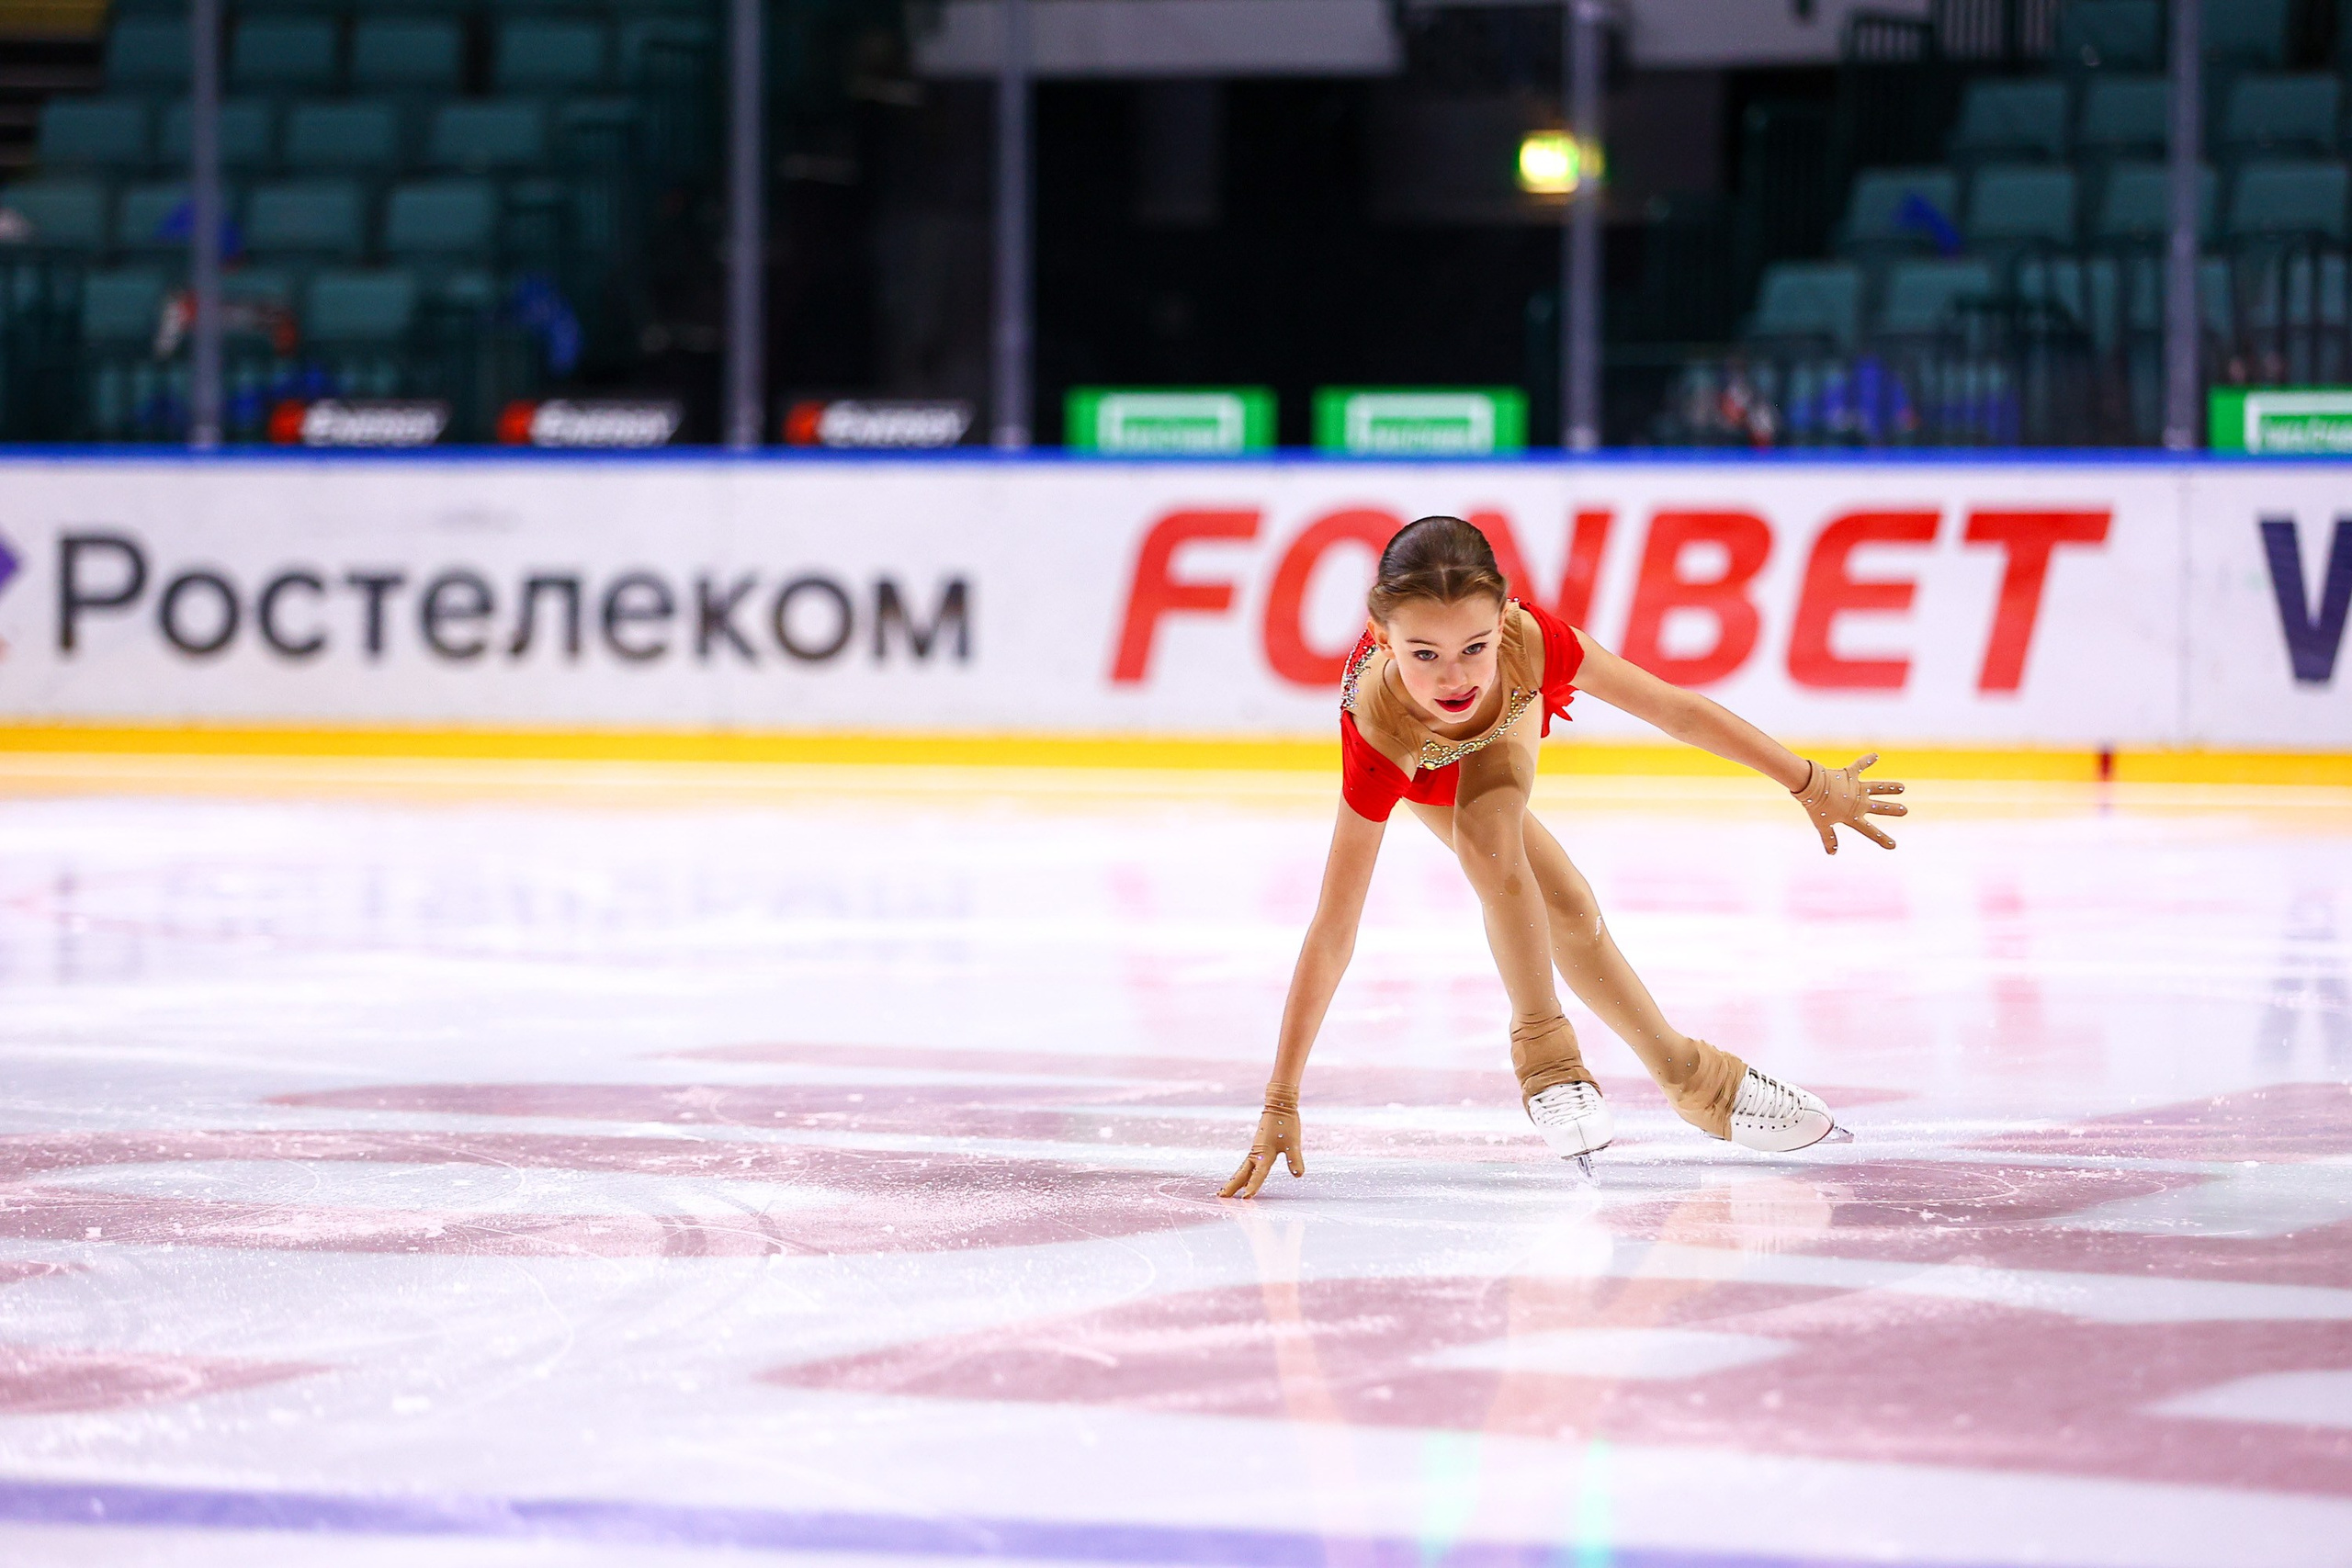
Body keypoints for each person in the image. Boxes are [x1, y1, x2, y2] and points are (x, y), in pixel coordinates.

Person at [1221, 515, 1905, 1198]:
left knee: (1544, 884)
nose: (1455, 676)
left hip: (1509, 709)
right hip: (1421, 757)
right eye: (1423, 653)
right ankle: (1573, 1061)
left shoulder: (1528, 647)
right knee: (1519, 866)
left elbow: (1676, 711)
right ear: (1381, 637)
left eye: (1474, 646)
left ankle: (1683, 1078)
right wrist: (1281, 1094)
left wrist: (1809, 780)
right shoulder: (1382, 733)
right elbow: (1335, 926)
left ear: (1506, 616)